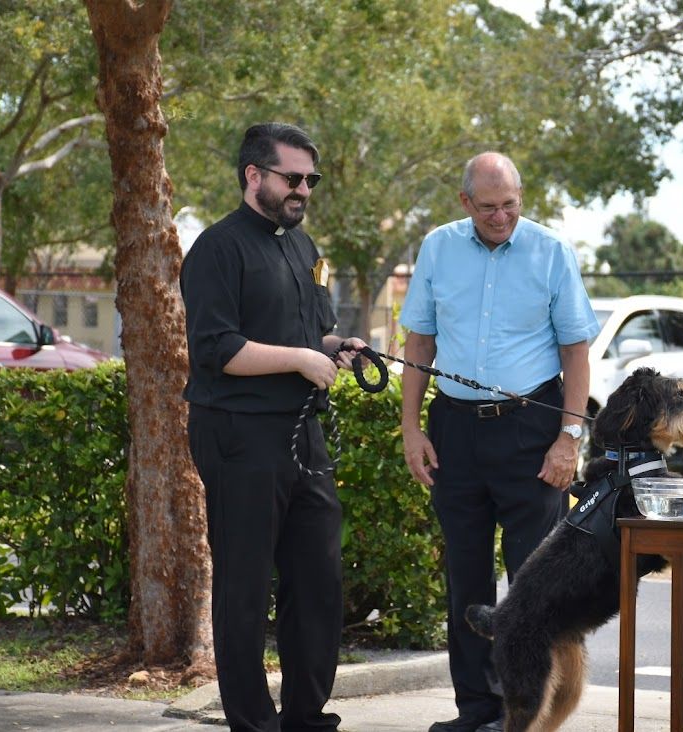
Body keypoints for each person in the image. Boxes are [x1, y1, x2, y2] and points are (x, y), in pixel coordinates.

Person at [399, 152, 598, 732]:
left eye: (510, 204)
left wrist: (569, 438)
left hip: (530, 430)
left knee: (534, 587)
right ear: (465, 203)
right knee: (465, 577)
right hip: (454, 432)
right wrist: (411, 428)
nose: (501, 215)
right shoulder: (438, 247)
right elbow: (419, 344)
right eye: (488, 207)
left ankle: (527, 715)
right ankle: (475, 712)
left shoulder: (552, 252)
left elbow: (575, 352)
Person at [180, 122, 367, 732]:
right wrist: (299, 359)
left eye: (310, 180)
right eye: (292, 178)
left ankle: (305, 716)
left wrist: (339, 346)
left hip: (302, 432)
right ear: (253, 175)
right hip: (238, 435)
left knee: (318, 578)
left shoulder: (302, 247)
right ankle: (254, 724)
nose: (303, 190)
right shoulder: (217, 248)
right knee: (244, 584)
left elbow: (311, 335)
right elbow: (218, 349)